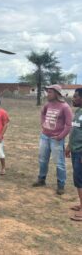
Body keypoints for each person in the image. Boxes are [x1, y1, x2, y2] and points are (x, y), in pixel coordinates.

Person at [32, 84, 73, 195]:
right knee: (42, 159)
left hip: (56, 139)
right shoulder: (47, 104)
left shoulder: (65, 107)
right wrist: (42, 123)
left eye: (50, 92)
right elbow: (42, 113)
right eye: (47, 91)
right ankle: (41, 179)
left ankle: (61, 185)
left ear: (56, 93)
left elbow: (69, 125)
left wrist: (60, 137)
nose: (47, 94)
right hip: (45, 136)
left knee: (59, 163)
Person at [65, 88, 82, 221]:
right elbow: (74, 131)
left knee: (80, 180)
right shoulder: (78, 112)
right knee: (78, 180)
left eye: (76, 96)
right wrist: (69, 146)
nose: (73, 98)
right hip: (75, 150)